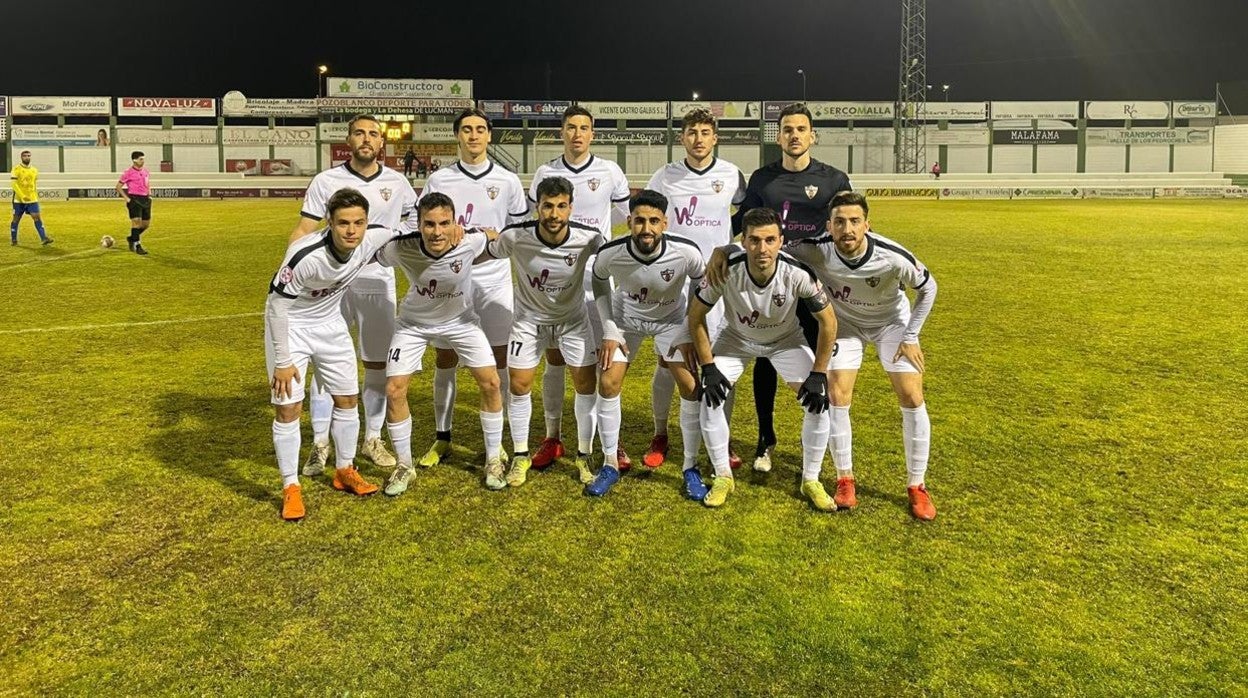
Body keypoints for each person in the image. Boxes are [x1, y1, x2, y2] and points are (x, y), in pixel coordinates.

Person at [784, 191, 938, 520]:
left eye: (855, 221)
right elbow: (771, 248)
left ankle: (917, 485)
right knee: (837, 394)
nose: (847, 229)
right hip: (847, 326)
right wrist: (727, 253)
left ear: (867, 224)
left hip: (890, 324)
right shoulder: (815, 248)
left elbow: (929, 287)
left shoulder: (892, 256)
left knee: (911, 394)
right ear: (829, 225)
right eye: (839, 222)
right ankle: (845, 479)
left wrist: (911, 335)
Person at [291, 114, 418, 477]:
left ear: (382, 143)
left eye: (373, 134)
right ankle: (319, 443)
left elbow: (412, 226)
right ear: (348, 139)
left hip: (377, 282)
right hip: (328, 285)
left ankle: (372, 438)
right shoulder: (326, 180)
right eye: (359, 133)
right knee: (324, 362)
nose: (366, 139)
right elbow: (305, 228)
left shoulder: (398, 182)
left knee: (378, 362)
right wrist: (293, 273)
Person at [689, 207, 838, 510]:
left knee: (820, 402)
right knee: (710, 398)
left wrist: (819, 373)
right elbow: (695, 317)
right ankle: (722, 476)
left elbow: (829, 322)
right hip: (736, 341)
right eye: (754, 240)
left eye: (770, 240)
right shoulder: (725, 268)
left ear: (781, 241)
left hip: (786, 342)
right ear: (743, 241)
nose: (762, 249)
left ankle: (811, 479)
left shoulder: (797, 273)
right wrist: (708, 366)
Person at [733, 103, 852, 472]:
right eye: (787, 129)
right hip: (772, 284)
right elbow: (742, 227)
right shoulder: (762, 179)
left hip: (818, 288)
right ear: (779, 136)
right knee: (766, 358)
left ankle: (816, 445)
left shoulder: (834, 179)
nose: (794, 135)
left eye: (801, 129)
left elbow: (850, 224)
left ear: (812, 135)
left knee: (821, 366)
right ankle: (765, 440)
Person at [266, 188, 397, 521]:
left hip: (331, 326)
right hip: (292, 328)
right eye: (343, 223)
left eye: (358, 222)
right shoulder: (304, 254)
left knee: (348, 400)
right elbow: (276, 306)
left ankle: (344, 470)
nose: (352, 230)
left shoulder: (372, 238)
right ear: (330, 222)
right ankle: (290, 486)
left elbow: (414, 233)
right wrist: (282, 361)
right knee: (288, 408)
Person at [413, 108, 529, 470]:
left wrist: (498, 236)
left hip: (493, 278)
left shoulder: (508, 180)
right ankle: (442, 436)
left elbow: (519, 231)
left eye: (480, 129)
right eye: (467, 130)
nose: (474, 136)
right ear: (458, 136)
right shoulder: (439, 180)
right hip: (450, 279)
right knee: (445, 357)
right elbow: (423, 229)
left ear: (489, 136)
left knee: (499, 359)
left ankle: (503, 439)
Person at [374, 193, 507, 494]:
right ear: (419, 224)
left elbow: (497, 237)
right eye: (429, 224)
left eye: (444, 223)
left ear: (455, 222)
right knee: (394, 389)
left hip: (462, 322)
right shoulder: (401, 248)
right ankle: (404, 466)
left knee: (492, 383)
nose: (437, 232)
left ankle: (494, 459)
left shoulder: (469, 242)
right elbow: (369, 253)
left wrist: (484, 232)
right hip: (413, 325)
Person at [527, 105, 631, 471]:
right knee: (554, 360)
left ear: (592, 133)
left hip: (596, 283)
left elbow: (623, 219)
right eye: (570, 127)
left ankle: (608, 444)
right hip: (555, 284)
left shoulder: (609, 172)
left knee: (600, 365)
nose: (577, 134)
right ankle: (552, 437)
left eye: (584, 128)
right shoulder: (545, 172)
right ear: (562, 132)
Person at [585, 189, 707, 498]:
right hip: (627, 321)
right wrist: (610, 327)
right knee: (609, 381)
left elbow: (700, 282)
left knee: (690, 385)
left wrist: (688, 328)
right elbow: (599, 280)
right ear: (629, 221)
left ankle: (690, 466)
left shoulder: (686, 251)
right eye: (639, 221)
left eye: (654, 221)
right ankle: (610, 463)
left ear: (665, 222)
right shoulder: (611, 251)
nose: (647, 229)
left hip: (671, 321)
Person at [483, 176, 604, 487]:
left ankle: (583, 454)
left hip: (573, 322)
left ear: (571, 208)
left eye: (561, 206)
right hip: (528, 323)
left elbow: (614, 258)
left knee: (585, 384)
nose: (554, 214)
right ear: (537, 207)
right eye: (548, 206)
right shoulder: (516, 237)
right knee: (520, 385)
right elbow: (486, 250)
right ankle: (521, 455)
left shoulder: (589, 238)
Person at [645, 108, 747, 469]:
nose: (698, 139)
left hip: (719, 284)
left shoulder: (732, 175)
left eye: (705, 132)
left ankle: (725, 434)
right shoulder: (665, 176)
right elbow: (650, 217)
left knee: (720, 359)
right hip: (673, 281)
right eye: (692, 132)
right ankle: (661, 432)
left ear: (715, 137)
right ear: (682, 137)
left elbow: (741, 219)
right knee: (667, 360)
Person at [9, 151, 53, 246]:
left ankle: (44, 238)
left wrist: (35, 196)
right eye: (25, 156)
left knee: (37, 217)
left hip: (32, 199)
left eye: (28, 156)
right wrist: (22, 196)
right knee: (16, 219)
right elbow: (14, 184)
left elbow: (34, 185)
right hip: (18, 200)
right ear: (21, 157)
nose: (27, 157)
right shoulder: (16, 169)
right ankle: (14, 239)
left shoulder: (34, 170)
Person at [115, 151, 152, 255]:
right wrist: (127, 199)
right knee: (136, 222)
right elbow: (118, 187)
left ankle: (132, 238)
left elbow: (147, 183)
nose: (143, 161)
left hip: (145, 199)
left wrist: (149, 193)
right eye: (141, 159)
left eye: (143, 159)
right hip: (134, 199)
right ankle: (138, 246)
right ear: (134, 160)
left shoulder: (146, 171)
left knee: (145, 225)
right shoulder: (128, 172)